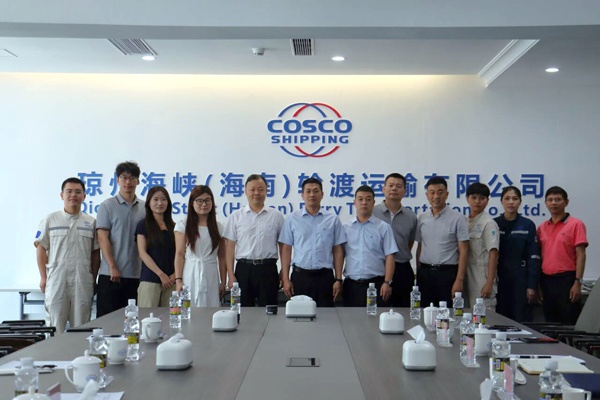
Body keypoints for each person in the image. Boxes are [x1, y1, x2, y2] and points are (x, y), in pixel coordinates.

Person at [34, 178, 100, 333]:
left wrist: (93, 279)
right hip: (57, 279)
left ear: (84, 196)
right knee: (55, 325)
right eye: (69, 191)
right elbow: (41, 248)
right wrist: (43, 277)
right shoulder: (50, 220)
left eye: (78, 192)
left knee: (82, 326)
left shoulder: (91, 222)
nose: (73, 195)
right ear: (62, 195)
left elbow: (96, 253)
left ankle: (80, 350)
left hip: (82, 280)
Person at [279, 178, 346, 307]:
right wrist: (285, 279)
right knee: (299, 316)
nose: (312, 195)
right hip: (300, 277)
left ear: (322, 194)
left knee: (326, 316)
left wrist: (338, 279)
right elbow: (286, 249)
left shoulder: (332, 219)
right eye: (308, 191)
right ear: (302, 195)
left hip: (325, 277)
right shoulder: (292, 219)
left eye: (316, 191)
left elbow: (338, 250)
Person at [223, 175, 284, 307]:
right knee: (242, 311)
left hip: (268, 269)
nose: (256, 193)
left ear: (266, 191)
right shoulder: (236, 216)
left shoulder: (276, 216)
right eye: (252, 189)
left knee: (269, 311)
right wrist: (231, 275)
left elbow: (283, 247)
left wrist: (284, 272)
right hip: (244, 270)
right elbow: (229, 249)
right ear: (246, 192)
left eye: (261, 189)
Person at [96, 161, 146, 317]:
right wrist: (112, 266)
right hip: (111, 275)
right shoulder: (107, 206)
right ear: (117, 180)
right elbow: (102, 238)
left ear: (138, 181)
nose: (128, 182)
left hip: (136, 275)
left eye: (132, 178)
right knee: (107, 322)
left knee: (132, 322)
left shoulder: (145, 208)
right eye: (124, 177)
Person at [537, 186, 588, 324]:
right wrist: (539, 284)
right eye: (550, 200)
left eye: (558, 199)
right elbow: (539, 256)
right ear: (546, 203)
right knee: (550, 323)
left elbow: (581, 255)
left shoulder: (576, 224)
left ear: (566, 202)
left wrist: (578, 282)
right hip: (546, 281)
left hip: (567, 281)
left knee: (568, 322)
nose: (553, 203)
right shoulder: (542, 227)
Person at [416, 177, 469, 306]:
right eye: (432, 192)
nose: (436, 196)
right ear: (427, 195)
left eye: (440, 192)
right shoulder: (422, 218)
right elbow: (420, 246)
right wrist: (418, 272)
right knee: (424, 312)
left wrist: (459, 279)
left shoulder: (458, 218)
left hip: (447, 274)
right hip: (425, 274)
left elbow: (464, 251)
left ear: (447, 194)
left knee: (447, 313)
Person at [342, 186, 398, 307]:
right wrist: (337, 279)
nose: (364, 202)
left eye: (368, 199)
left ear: (373, 202)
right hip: (351, 286)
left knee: (376, 318)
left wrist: (387, 282)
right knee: (349, 318)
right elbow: (339, 255)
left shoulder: (383, 227)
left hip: (377, 285)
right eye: (360, 199)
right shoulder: (345, 228)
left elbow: (390, 256)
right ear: (354, 202)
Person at [174, 185, 226, 307]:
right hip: (190, 273)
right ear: (192, 203)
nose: (204, 204)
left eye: (207, 200)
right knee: (189, 308)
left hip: (211, 273)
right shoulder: (183, 225)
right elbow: (179, 254)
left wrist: (223, 282)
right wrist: (178, 280)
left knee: (211, 308)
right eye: (199, 201)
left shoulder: (219, 227)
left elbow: (222, 257)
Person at [494, 186, 540, 322]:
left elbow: (533, 257)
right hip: (500, 278)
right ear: (501, 201)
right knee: (500, 318)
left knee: (521, 318)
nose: (511, 202)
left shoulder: (527, 225)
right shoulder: (494, 224)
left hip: (521, 279)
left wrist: (531, 286)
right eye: (507, 198)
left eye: (515, 199)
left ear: (520, 201)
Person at [373, 173, 417, 307]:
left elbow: (409, 242)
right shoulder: (372, 213)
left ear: (405, 191)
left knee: (404, 310)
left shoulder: (410, 216)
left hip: (402, 269)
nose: (394, 189)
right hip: (379, 269)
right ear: (383, 189)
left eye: (398, 186)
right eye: (390, 185)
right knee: (378, 311)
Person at [135, 187, 176, 307]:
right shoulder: (143, 225)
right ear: (149, 203)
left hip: (171, 281)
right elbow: (142, 253)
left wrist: (175, 274)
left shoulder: (174, 227)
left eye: (163, 199)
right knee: (147, 316)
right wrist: (161, 274)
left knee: (171, 316)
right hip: (150, 280)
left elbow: (181, 253)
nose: (160, 203)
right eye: (156, 199)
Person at [465, 182, 500, 310]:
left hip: (482, 278)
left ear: (487, 200)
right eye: (473, 197)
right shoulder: (464, 222)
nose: (477, 201)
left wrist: (489, 283)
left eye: (482, 198)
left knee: (483, 316)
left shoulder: (489, 223)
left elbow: (494, 254)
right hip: (466, 277)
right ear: (467, 199)